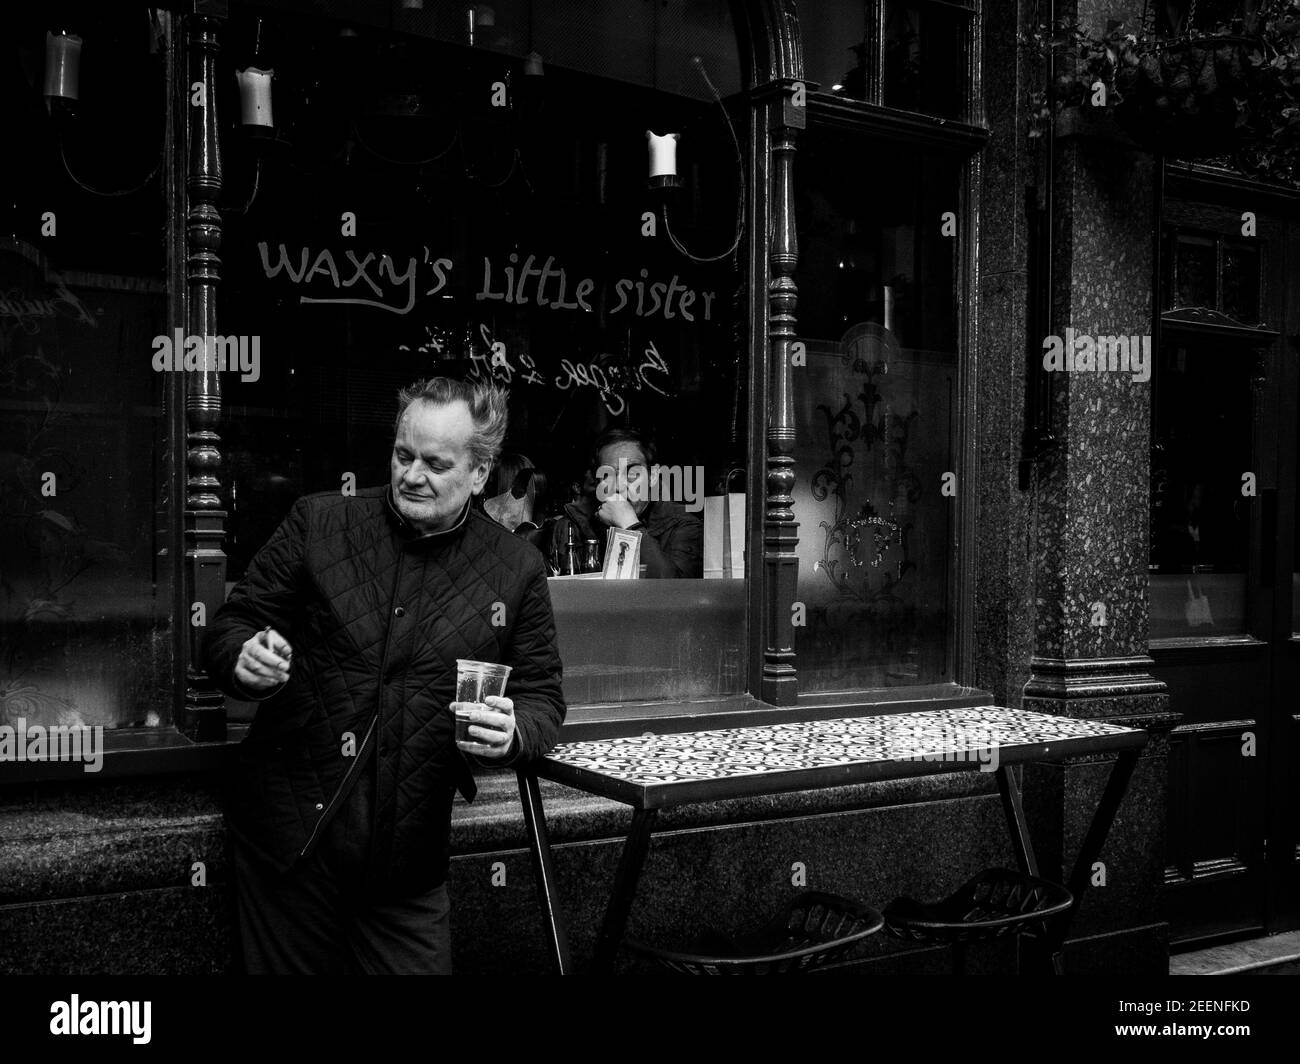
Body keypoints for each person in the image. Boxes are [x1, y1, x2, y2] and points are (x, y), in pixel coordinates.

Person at [202, 377, 565, 974]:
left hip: (407, 866)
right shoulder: (319, 522)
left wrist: (514, 731)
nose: (412, 475)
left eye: (435, 463)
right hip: (290, 845)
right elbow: (229, 627)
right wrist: (243, 656)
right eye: (403, 455)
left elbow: (543, 699)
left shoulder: (516, 568)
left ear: (479, 473)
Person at [550, 426, 702, 578]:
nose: (619, 486)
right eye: (608, 475)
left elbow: (677, 594)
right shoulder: (574, 526)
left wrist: (630, 525)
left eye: (633, 474)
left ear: (653, 476)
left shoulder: (682, 524)